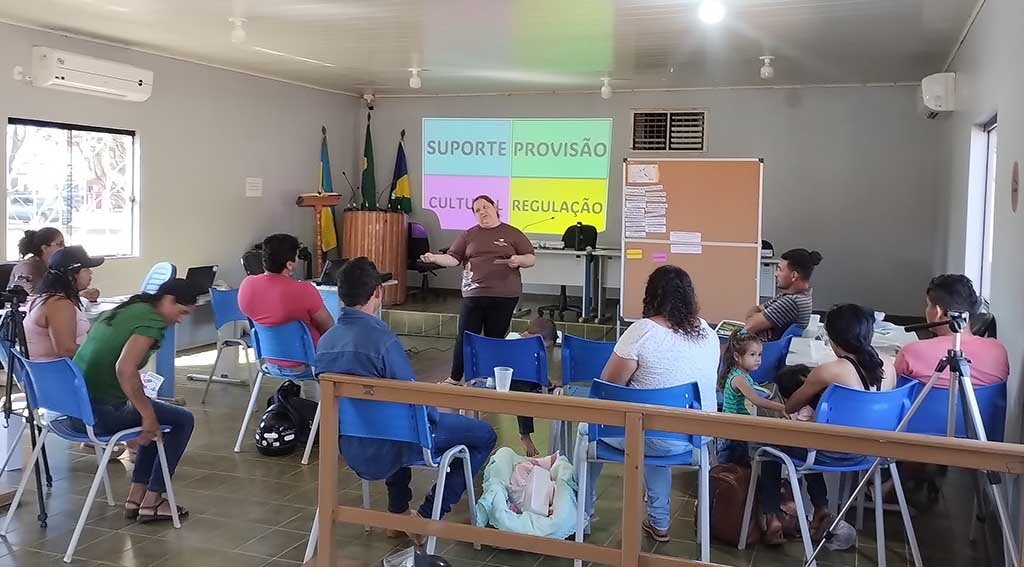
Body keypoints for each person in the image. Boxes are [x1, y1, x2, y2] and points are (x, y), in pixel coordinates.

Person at [315, 257, 496, 540]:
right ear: (378, 292)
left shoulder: (325, 342)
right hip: (397, 442)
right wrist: (435, 414)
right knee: (483, 435)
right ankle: (427, 516)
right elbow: (412, 398)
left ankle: (398, 515)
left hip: (349, 443)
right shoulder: (382, 341)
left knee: (387, 418)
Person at [587, 265, 720, 542]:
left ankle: (582, 513)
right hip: (694, 438)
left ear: (652, 295)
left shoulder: (643, 331)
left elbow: (607, 387)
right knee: (654, 431)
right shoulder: (707, 331)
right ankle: (659, 521)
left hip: (648, 433)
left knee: (589, 433)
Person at [757, 304, 896, 544]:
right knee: (815, 440)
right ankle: (821, 510)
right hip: (871, 453)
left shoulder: (828, 371)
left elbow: (790, 407)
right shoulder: (889, 365)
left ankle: (772, 516)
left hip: (828, 452)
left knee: (772, 444)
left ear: (833, 339)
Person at [71, 278, 200, 522]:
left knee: (151, 414)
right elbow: (125, 369)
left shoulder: (130, 309)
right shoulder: (152, 321)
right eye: (181, 312)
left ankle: (136, 497)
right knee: (182, 420)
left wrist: (147, 412)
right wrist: (148, 415)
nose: (179, 319)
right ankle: (152, 500)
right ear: (168, 300)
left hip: (77, 409)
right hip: (102, 412)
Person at [419, 195, 536, 385]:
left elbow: (531, 258)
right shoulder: (469, 235)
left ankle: (491, 378)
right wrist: (434, 258)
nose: (482, 212)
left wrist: (519, 260)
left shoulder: (512, 233)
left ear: (495, 207)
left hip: (503, 295)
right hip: (474, 294)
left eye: (485, 207)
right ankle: (455, 378)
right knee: (465, 337)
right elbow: (453, 259)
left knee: (495, 338)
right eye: (477, 210)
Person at [238, 233, 334, 368]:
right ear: (289, 264)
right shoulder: (304, 290)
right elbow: (329, 327)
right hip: (309, 362)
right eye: (296, 257)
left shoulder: (247, 285)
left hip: (268, 361)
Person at [895, 274, 1008, 388]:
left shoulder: (910, 352)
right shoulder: (998, 350)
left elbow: (892, 390)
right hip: (983, 407)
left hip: (924, 406)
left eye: (928, 305)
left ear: (938, 311)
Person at [717, 330, 784, 465]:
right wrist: (781, 407)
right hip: (732, 433)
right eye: (752, 354)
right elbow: (756, 400)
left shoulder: (742, 374)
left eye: (759, 354)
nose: (758, 359)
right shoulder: (739, 378)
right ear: (737, 356)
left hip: (737, 429)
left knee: (740, 466)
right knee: (732, 469)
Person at [25, 245, 103, 360]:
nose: (91, 273)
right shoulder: (59, 305)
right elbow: (66, 350)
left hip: (49, 370)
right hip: (58, 373)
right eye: (86, 269)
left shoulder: (47, 298)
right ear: (71, 274)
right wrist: (103, 355)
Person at [744, 248, 822, 340]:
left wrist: (759, 325)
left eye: (780, 270)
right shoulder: (795, 295)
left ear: (794, 276)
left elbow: (748, 327)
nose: (776, 274)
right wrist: (762, 326)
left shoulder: (791, 302)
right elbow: (754, 311)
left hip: (767, 350)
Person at [509, 316, 558, 457]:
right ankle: (525, 435)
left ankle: (525, 435)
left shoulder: (514, 338)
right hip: (514, 384)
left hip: (498, 380)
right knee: (527, 393)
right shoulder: (517, 342)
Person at [10, 227, 100, 301]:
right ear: (44, 248)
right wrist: (76, 296)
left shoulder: (58, 266)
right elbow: (33, 299)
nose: (64, 248)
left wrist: (86, 292)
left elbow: (66, 287)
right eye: (60, 244)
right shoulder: (27, 267)